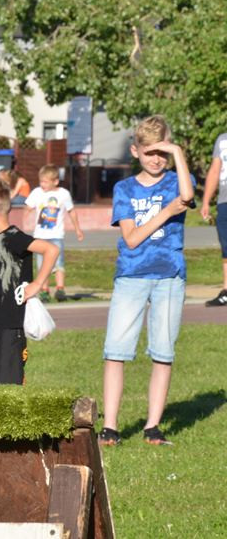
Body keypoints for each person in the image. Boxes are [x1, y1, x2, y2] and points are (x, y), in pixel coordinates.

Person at [100, 115, 193, 447]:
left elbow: (187, 195)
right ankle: (110, 427)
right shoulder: (124, 189)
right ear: (135, 151)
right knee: (115, 351)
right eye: (149, 152)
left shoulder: (177, 180)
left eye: (162, 153)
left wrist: (177, 152)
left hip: (169, 277)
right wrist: (167, 211)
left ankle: (153, 427)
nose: (156, 159)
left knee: (163, 352)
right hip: (131, 276)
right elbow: (132, 238)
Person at [0, 179, 58, 386]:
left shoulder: (15, 238)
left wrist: (36, 284)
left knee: (10, 384)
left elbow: (51, 250)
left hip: (11, 324)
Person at [24, 164, 84, 301]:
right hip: (40, 236)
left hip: (56, 236)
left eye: (45, 182)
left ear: (55, 181)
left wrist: (77, 229)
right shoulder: (37, 193)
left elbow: (71, 211)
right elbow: (27, 208)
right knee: (42, 265)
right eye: (41, 181)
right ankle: (44, 290)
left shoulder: (63, 194)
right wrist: (24, 222)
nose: (42, 184)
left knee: (58, 263)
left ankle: (60, 289)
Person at [200, 130, 227, 306]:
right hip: (225, 202)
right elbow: (215, 170)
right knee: (226, 247)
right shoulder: (222, 140)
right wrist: (205, 201)